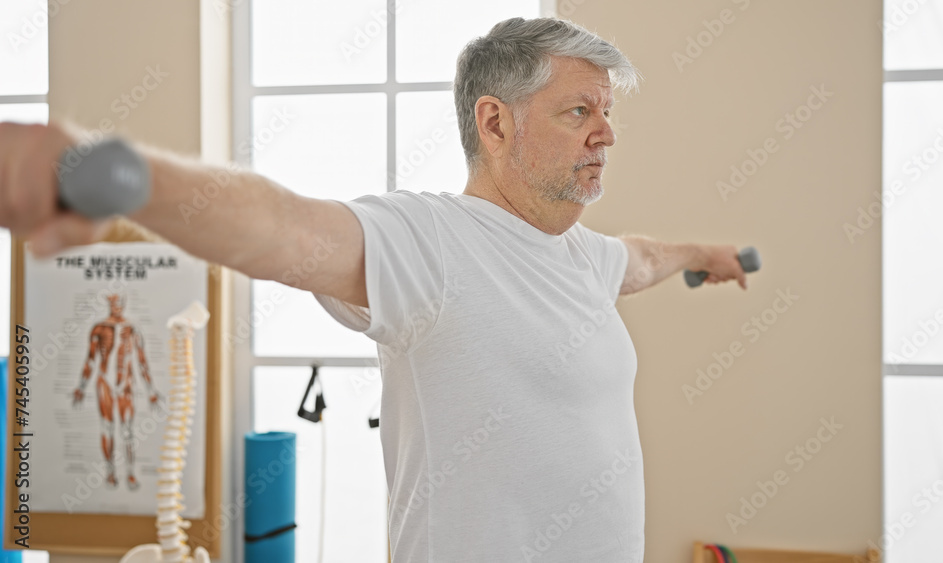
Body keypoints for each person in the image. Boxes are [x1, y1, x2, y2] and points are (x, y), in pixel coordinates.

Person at [0, 16, 747, 563]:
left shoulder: (582, 257)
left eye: (608, 113)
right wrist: (110, 173)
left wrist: (701, 253)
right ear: (495, 122)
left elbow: (640, 258)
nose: (606, 134)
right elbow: (282, 228)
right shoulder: (430, 241)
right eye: (580, 111)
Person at [72, 293, 164, 490]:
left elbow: (142, 361)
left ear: (124, 303)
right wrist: (81, 387)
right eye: (114, 303)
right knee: (107, 428)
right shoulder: (99, 328)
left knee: (127, 431)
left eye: (120, 302)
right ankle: (110, 472)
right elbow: (90, 359)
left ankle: (130, 472)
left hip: (126, 385)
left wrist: (151, 390)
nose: (117, 306)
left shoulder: (132, 329)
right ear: (109, 304)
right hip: (105, 382)